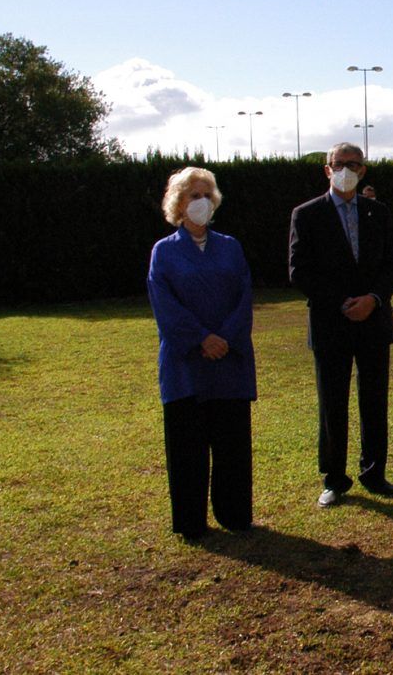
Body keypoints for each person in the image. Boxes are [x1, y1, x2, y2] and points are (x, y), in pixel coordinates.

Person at [288, 143, 393, 507]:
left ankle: (375, 473)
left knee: (375, 402)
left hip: (373, 321)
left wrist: (373, 299)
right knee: (332, 404)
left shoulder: (378, 212)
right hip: (330, 324)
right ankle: (334, 479)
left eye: (354, 165)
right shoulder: (306, 214)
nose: (347, 170)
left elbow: (391, 265)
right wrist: (341, 302)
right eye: (340, 164)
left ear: (364, 170)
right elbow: (299, 271)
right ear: (328, 169)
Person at [147, 166, 256, 540]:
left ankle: (234, 514)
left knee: (231, 443)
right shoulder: (164, 252)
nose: (202, 202)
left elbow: (244, 296)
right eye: (194, 196)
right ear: (179, 204)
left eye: (207, 195)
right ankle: (191, 522)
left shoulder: (230, 246)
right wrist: (200, 338)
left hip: (229, 359)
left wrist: (224, 337)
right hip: (186, 364)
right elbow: (164, 304)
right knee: (187, 446)